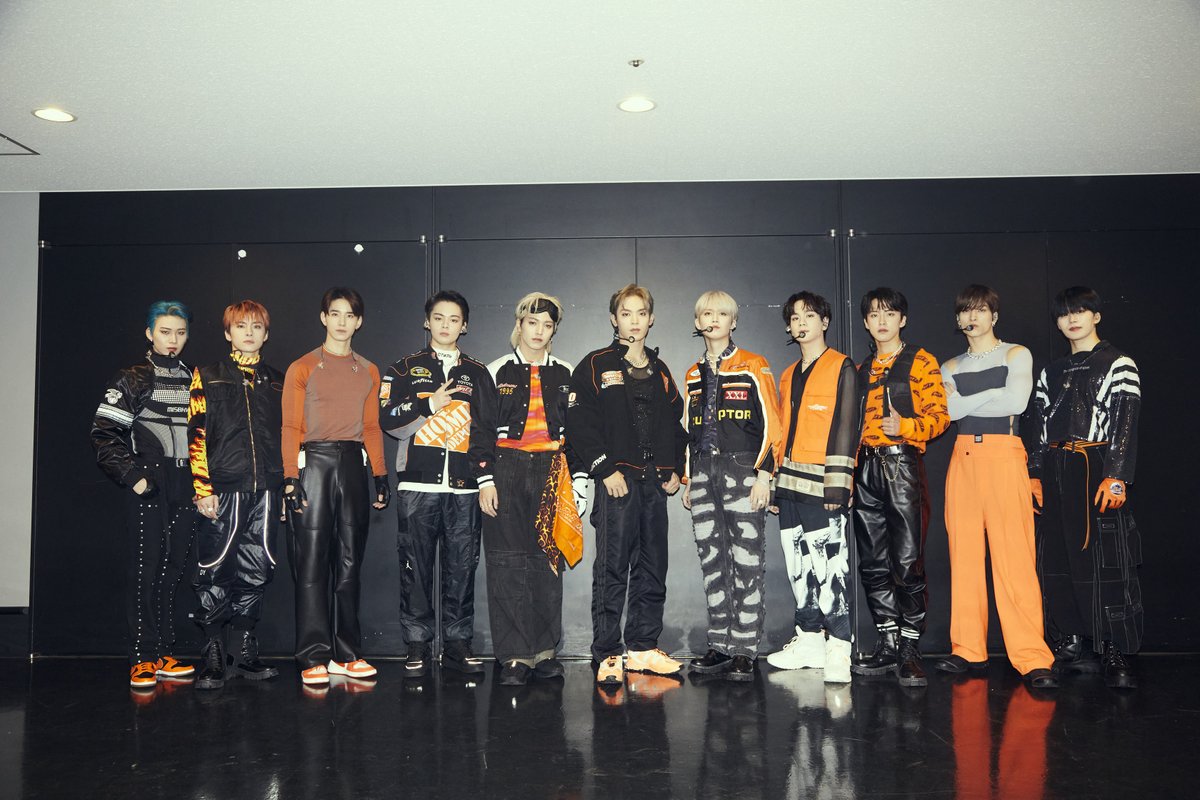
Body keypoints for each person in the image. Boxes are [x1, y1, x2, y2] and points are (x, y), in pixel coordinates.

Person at [936, 285, 1057, 689]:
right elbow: (949, 412)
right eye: (965, 311)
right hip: (963, 458)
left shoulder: (1016, 354)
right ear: (958, 319)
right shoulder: (949, 365)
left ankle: (1032, 656)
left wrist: (970, 395)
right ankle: (967, 649)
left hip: (1005, 454)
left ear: (994, 316)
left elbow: (1017, 402)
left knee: (1014, 557)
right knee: (964, 557)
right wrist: (993, 393)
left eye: (981, 310)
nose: (973, 317)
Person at [568, 284, 688, 685]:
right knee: (612, 568)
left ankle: (641, 648)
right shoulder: (595, 364)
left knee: (653, 568)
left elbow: (676, 425)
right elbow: (579, 424)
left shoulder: (661, 370)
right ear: (613, 319)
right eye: (626, 313)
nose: (634, 321)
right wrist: (604, 469)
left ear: (651, 319)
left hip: (654, 484)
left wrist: (675, 469)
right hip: (617, 483)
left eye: (641, 313)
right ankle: (607, 653)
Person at [1029, 286, 1142, 689]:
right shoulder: (1051, 371)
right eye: (1064, 314)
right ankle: (1071, 640)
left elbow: (1125, 422)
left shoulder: (1119, 363)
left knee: (1106, 556)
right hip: (1056, 465)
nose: (1072, 319)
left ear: (1096, 316)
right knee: (1057, 554)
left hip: (1096, 465)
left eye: (1079, 311)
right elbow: (1038, 426)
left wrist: (1117, 476)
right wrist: (1035, 474)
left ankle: (1114, 646)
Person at [471, 292, 585, 686]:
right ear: (519, 325)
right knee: (506, 561)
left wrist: (579, 482)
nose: (539, 331)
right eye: (532, 323)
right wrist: (485, 480)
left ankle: (545, 652)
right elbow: (480, 431)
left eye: (547, 325)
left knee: (546, 560)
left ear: (554, 330)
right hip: (506, 467)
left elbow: (579, 434)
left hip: (552, 469)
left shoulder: (567, 373)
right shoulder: (494, 371)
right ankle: (514, 656)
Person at [380, 290, 494, 678]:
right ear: (427, 321)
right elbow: (388, 420)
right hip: (418, 488)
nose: (446, 325)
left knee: (462, 569)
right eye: (439, 318)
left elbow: (486, 430)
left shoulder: (477, 373)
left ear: (465, 326)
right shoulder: (402, 369)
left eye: (454, 319)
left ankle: (458, 644)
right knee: (415, 569)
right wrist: (429, 405)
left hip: (464, 489)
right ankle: (417, 644)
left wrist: (484, 477)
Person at [282, 287, 389, 686]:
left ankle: (347, 654)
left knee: (349, 563)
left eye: (350, 315)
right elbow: (290, 426)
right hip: (313, 463)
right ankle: (313, 655)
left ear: (359, 322)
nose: (342, 321)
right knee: (311, 565)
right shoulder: (303, 367)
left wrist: (380, 474)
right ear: (323, 317)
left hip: (352, 465)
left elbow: (372, 427)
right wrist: (290, 478)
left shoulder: (369, 370)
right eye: (335, 313)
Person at [92, 300, 199, 689]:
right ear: (150, 333)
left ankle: (165, 652)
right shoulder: (132, 377)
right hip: (149, 481)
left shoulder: (195, 379)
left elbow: (206, 436)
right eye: (165, 332)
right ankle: (142, 656)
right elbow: (103, 434)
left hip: (186, 482)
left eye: (180, 333)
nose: (173, 340)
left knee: (173, 569)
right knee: (146, 568)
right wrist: (134, 477)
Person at [681, 290, 782, 682]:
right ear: (697, 322)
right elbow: (688, 430)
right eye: (707, 313)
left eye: (722, 314)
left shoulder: (754, 364)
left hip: (743, 469)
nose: (714, 319)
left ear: (733, 321)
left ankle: (744, 648)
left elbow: (773, 423)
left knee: (746, 560)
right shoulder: (692, 373)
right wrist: (688, 478)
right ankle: (720, 644)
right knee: (712, 561)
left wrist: (765, 475)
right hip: (703, 472)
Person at [851, 287, 949, 687]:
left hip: (902, 465)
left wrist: (905, 426)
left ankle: (910, 646)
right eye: (875, 315)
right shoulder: (861, 369)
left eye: (890, 313)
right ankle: (888, 642)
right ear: (865, 323)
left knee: (907, 562)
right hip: (864, 469)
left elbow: (940, 417)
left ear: (902, 320)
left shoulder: (921, 361)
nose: (882, 321)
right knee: (873, 562)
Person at [187, 300, 284, 690]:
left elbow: (287, 436)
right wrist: (202, 488)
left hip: (266, 491)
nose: (249, 333)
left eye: (256, 326)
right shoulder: (208, 375)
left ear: (266, 333)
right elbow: (196, 434)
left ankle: (244, 649)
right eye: (241, 326)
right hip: (223, 488)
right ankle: (213, 652)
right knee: (214, 568)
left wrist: (284, 487)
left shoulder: (276, 380)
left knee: (257, 567)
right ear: (228, 332)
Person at [764, 291, 858, 684]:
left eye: (809, 316)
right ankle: (809, 641)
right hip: (789, 485)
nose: (801, 324)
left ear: (825, 322)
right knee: (798, 565)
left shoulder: (842, 367)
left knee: (830, 566)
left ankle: (839, 648)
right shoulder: (788, 374)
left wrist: (838, 485)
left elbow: (847, 425)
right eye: (795, 318)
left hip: (824, 487)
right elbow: (781, 431)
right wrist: (774, 484)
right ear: (789, 327)